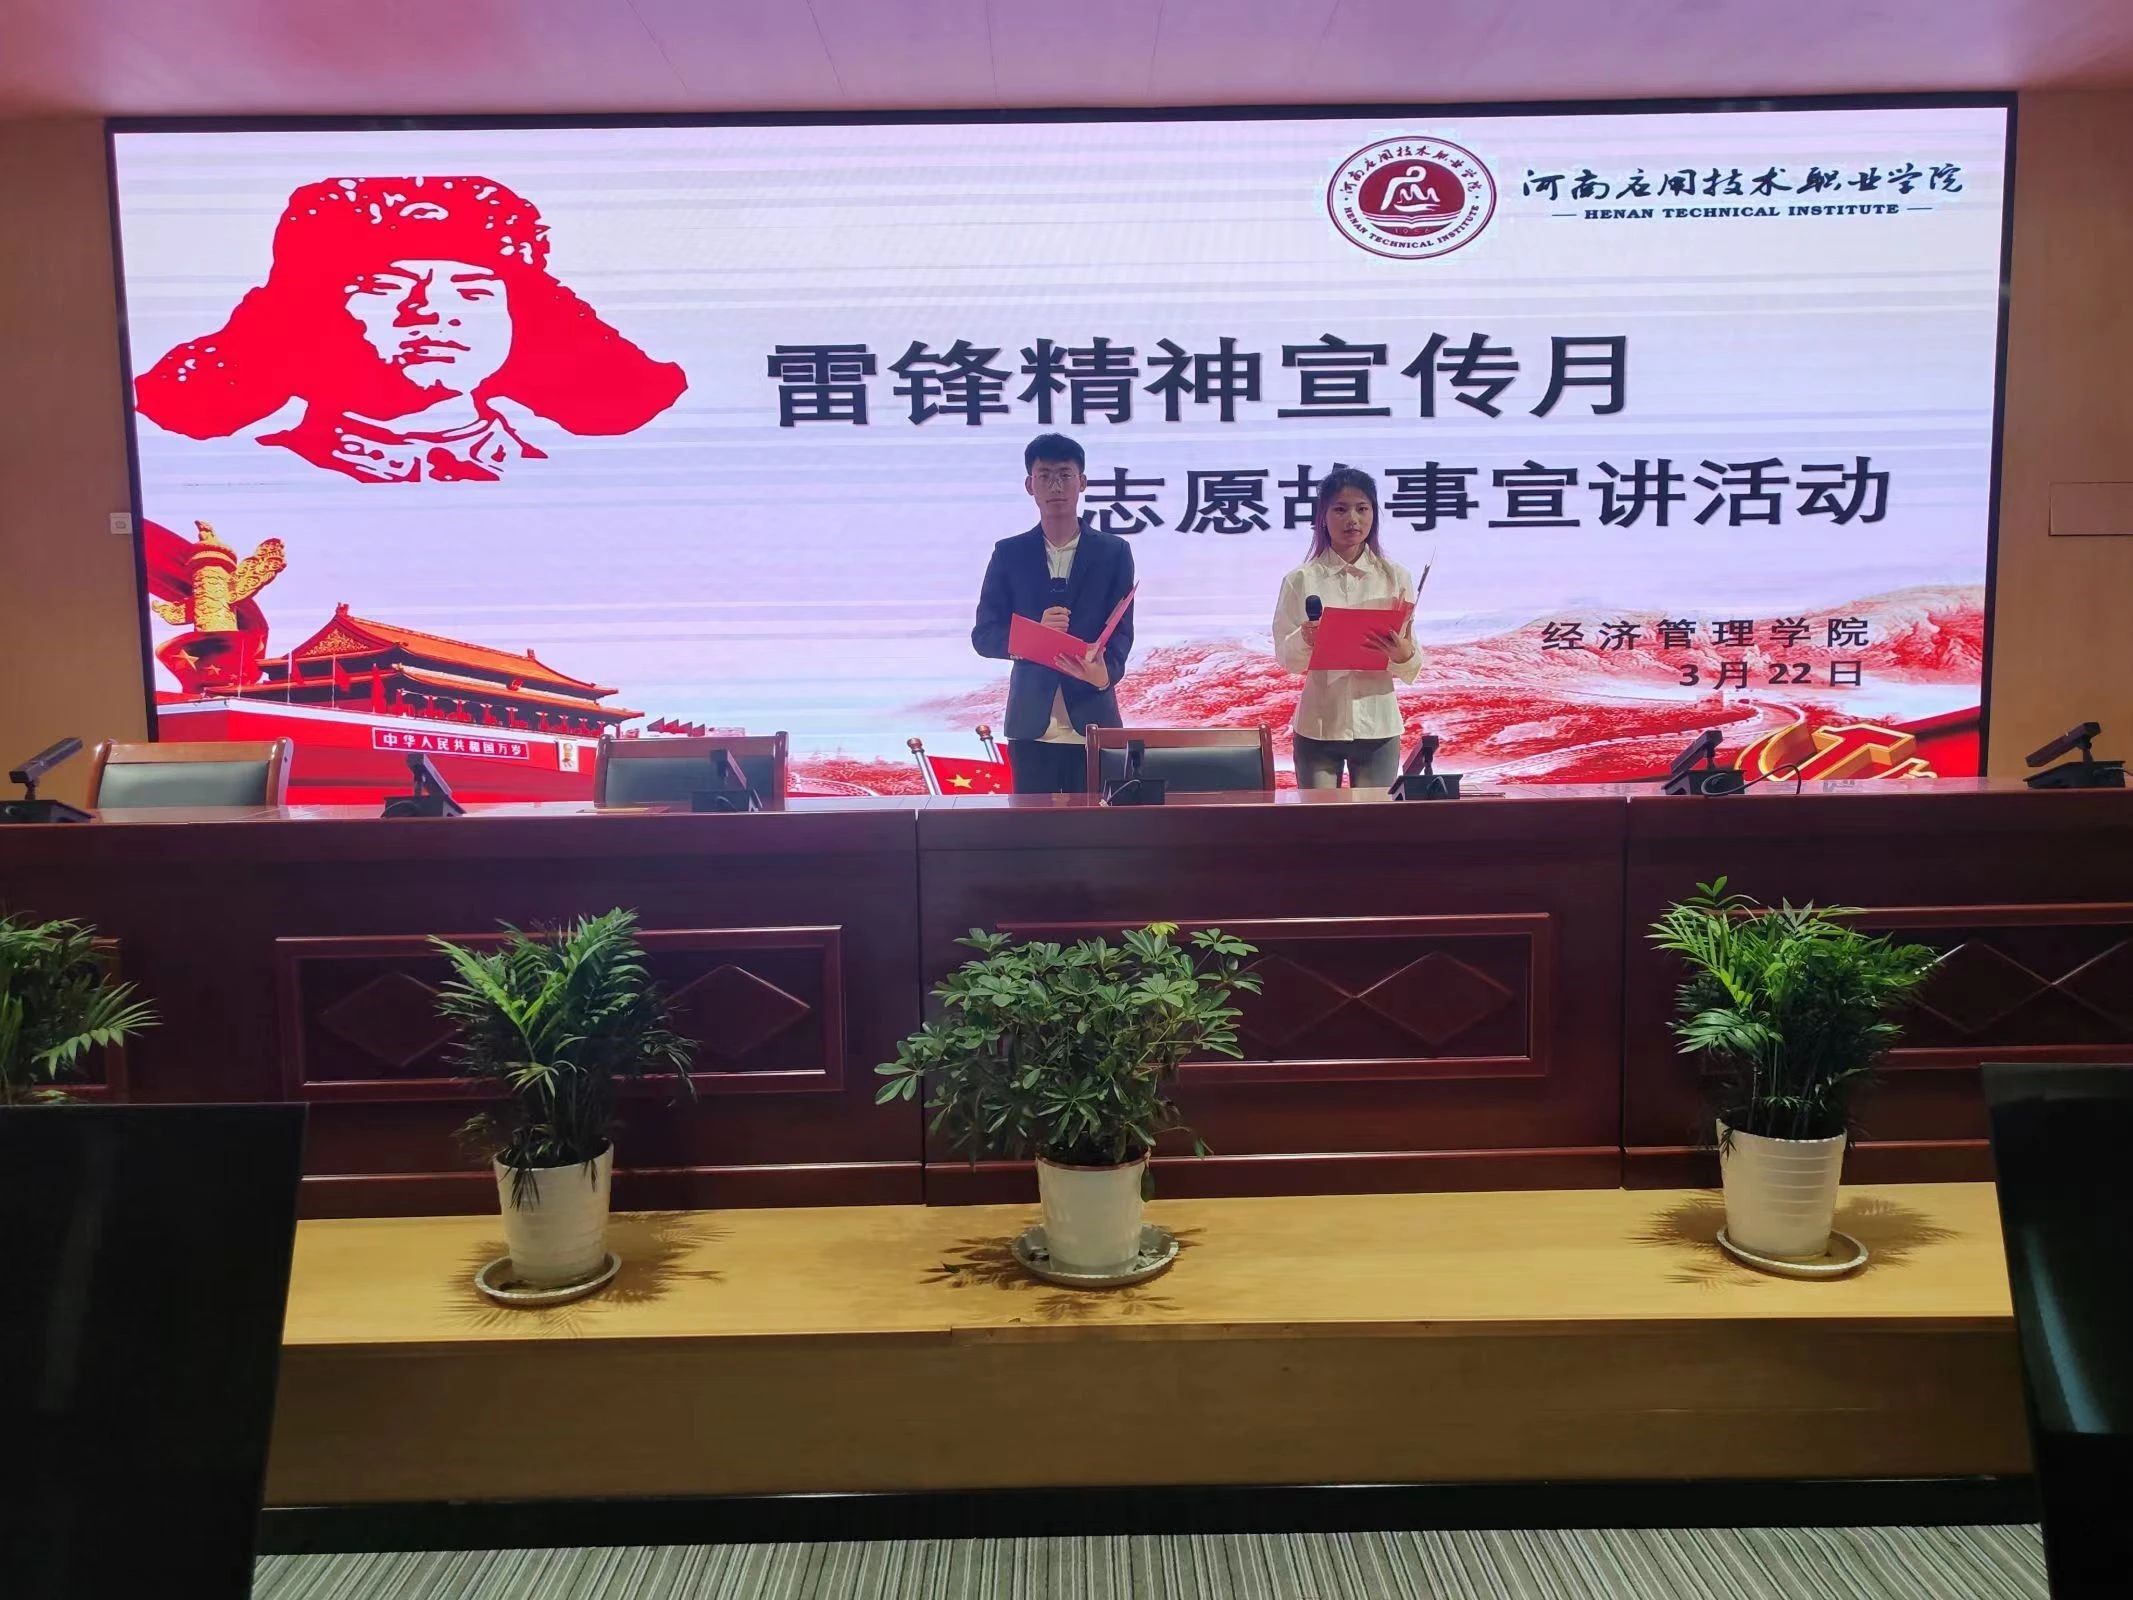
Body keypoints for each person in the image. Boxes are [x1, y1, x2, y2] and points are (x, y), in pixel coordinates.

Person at [134, 175, 686, 483]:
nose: (431, 312)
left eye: (474, 292)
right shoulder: (264, 472)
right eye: (386, 289)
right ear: (312, 314)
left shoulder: (558, 473)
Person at [971, 435, 1137, 794]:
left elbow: (1122, 632)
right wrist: (1032, 637)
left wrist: (1104, 676)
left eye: (1065, 475)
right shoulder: (1009, 553)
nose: (1056, 486)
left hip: (1093, 720)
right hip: (1031, 725)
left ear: (1083, 482)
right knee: (1033, 826)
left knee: (1099, 824)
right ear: (1030, 485)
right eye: (1044, 476)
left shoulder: (1113, 552)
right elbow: (984, 635)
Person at [1272, 466, 1420, 789]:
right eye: (1340, 509)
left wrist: (1403, 654)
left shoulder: (1396, 577)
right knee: (1318, 819)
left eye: (1362, 509)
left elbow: (1413, 665)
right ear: (1322, 517)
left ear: (1374, 515)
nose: (1352, 519)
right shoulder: (1300, 580)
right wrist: (1305, 638)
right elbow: (1286, 659)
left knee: (1373, 818)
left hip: (1378, 723)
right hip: (1318, 724)